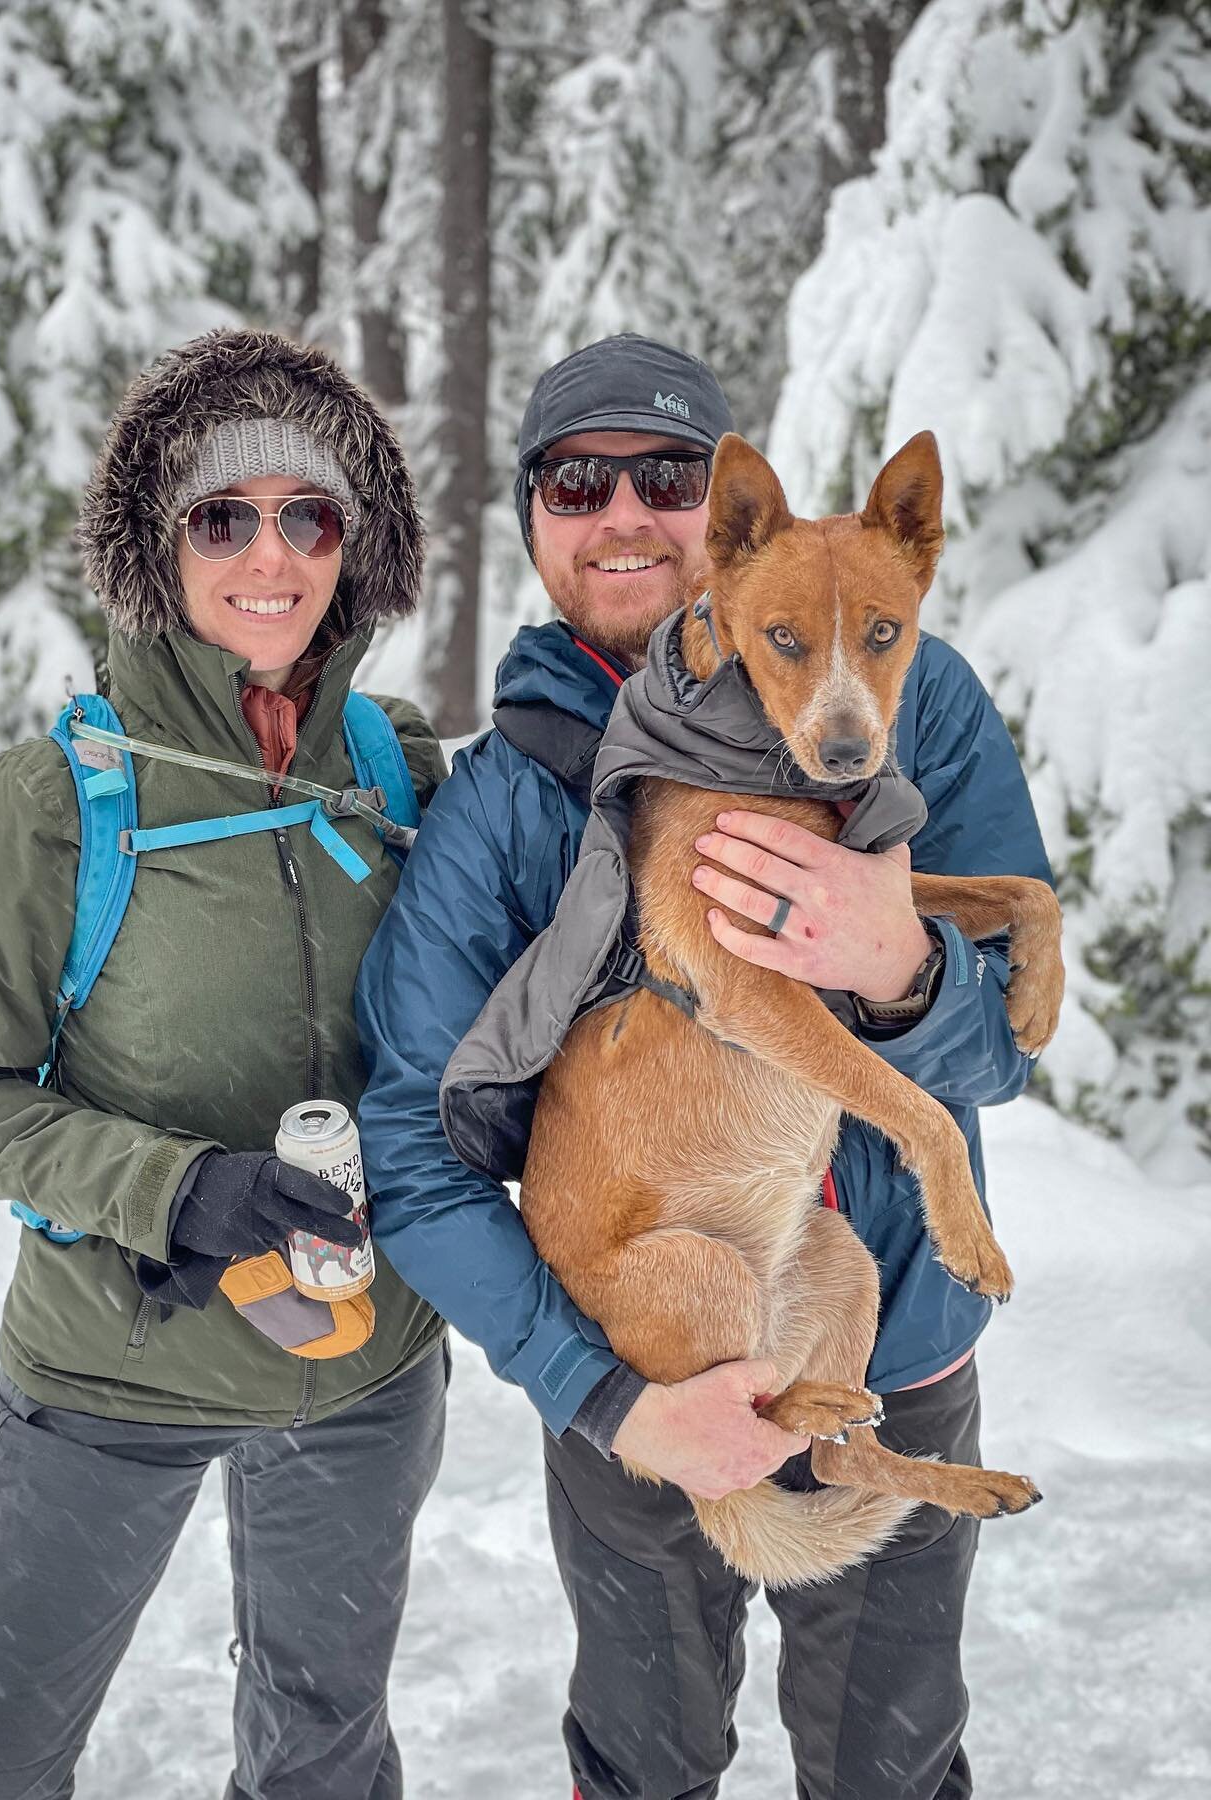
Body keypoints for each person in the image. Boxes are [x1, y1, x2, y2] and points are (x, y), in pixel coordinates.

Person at [355, 332, 1054, 1799]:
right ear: (536, 516)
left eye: (665, 475)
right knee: (646, 1766)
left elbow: (1006, 1057)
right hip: (639, 1360)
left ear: (728, 517)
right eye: (575, 481)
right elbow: (415, 1153)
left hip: (891, 1335)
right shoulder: (504, 797)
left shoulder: (913, 699)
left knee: (893, 1769)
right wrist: (602, 1395)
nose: (622, 512)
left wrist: (901, 971)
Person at [0, 329, 449, 1800]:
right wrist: (175, 1189)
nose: (269, 554)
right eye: (223, 515)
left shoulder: (395, 770)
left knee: (323, 1755)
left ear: (357, 542)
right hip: (109, 1368)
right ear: (158, 541)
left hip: (362, 1369)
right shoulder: (50, 808)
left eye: (308, 515)